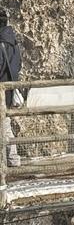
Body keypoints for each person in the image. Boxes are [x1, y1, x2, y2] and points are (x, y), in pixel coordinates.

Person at [0, 10, 21, 168]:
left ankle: (11, 159)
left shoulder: (1, 41)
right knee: (5, 123)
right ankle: (12, 159)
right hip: (9, 88)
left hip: (1, 88)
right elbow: (18, 65)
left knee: (4, 125)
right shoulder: (13, 42)